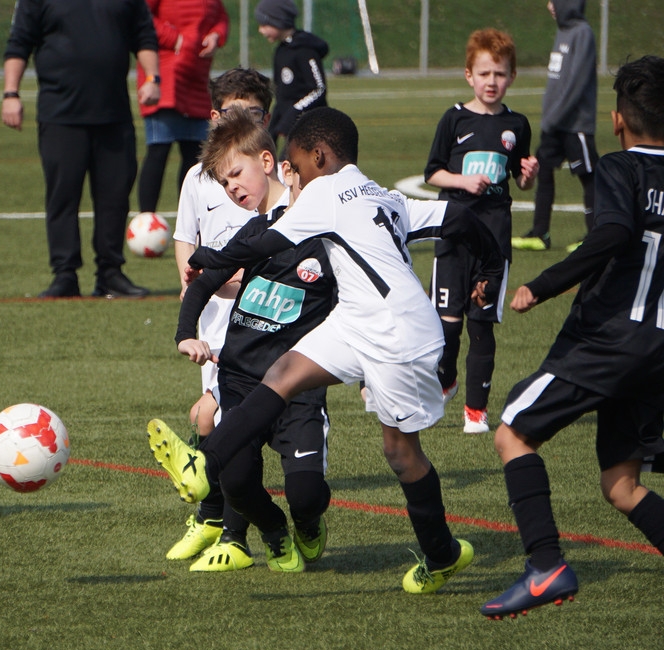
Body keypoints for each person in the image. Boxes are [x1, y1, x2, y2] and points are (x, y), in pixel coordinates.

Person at [150, 106, 504, 591]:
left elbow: (261, 244)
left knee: (402, 452)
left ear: (318, 156)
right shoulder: (382, 194)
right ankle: (204, 464)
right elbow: (459, 217)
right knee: (284, 374)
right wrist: (491, 268)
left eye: (296, 165)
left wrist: (206, 256)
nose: (293, 176)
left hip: (396, 335)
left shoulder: (326, 191)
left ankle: (441, 554)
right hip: (359, 319)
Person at [482, 55, 664, 620]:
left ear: (617, 120)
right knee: (621, 484)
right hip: (657, 350)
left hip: (610, 340)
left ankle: (546, 565)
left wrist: (542, 284)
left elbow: (613, 232)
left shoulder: (621, 167)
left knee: (513, 432)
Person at [170, 114, 336, 573]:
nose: (231, 189)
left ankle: (306, 522)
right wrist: (186, 335)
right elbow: (202, 283)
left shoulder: (329, 242)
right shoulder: (254, 232)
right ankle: (274, 531)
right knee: (236, 484)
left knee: (306, 494)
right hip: (241, 382)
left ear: (269, 163)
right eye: (224, 183)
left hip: (296, 386)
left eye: (236, 175)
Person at [167, 69, 279, 566]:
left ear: (265, 121)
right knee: (211, 420)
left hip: (264, 317)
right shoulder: (198, 177)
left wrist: (233, 282)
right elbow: (185, 238)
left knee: (221, 420)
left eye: (252, 113)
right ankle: (217, 520)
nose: (241, 120)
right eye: (232, 111)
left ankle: (226, 528)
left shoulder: (274, 183)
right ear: (214, 116)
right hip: (215, 319)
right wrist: (190, 284)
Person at [1, 0, 161, 299]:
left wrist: (153, 78)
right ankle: (65, 275)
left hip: (113, 115)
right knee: (63, 196)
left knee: (115, 197)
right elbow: (19, 42)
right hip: (60, 115)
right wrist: (11, 93)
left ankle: (110, 274)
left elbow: (144, 36)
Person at [424, 29, 538, 434]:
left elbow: (519, 180)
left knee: (481, 324)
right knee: (447, 326)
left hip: (493, 239)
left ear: (512, 77)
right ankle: (447, 380)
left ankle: (476, 411)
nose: (492, 81)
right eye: (485, 73)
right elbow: (432, 172)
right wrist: (461, 181)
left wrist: (527, 176)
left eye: (500, 74)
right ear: (469, 75)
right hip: (454, 236)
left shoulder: (516, 124)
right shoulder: (454, 118)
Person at [511, 0, 598, 252]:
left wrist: (555, 115)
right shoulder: (563, 31)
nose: (550, 6)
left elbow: (576, 84)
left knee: (589, 176)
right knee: (543, 169)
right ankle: (540, 233)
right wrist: (551, 117)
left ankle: (595, 235)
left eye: (554, 1)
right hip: (555, 124)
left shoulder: (582, 33)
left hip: (575, 124)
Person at [135, 0, 230, 216]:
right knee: (159, 150)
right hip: (167, 76)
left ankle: (190, 220)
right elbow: (142, 14)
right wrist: (174, 38)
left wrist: (216, 35)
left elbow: (221, 17)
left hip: (196, 79)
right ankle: (146, 221)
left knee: (194, 156)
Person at [254, 0, 329, 157]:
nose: (260, 30)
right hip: (289, 123)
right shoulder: (281, 51)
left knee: (291, 162)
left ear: (278, 21)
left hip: (309, 124)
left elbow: (318, 89)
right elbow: (282, 94)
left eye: (264, 24)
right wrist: (273, 128)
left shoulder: (305, 50)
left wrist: (293, 113)